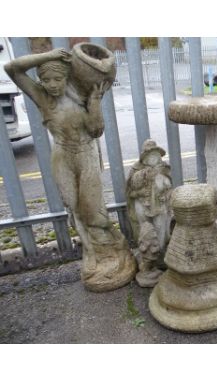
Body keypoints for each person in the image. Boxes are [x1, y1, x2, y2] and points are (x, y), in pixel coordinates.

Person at [5, 47, 136, 291]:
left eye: (58, 79)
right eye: (47, 80)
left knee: (93, 210)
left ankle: (116, 247)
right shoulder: (41, 97)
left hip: (85, 153)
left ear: (67, 78)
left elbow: (96, 131)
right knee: (73, 207)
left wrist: (94, 103)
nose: (53, 85)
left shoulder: (82, 96)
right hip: (62, 155)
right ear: (40, 82)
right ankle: (91, 254)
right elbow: (12, 68)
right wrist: (48, 56)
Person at [126, 139, 173, 287]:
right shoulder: (136, 171)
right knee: (145, 231)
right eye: (150, 155)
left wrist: (166, 193)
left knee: (161, 229)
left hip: (160, 205)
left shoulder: (163, 169)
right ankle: (147, 260)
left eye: (156, 154)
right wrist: (141, 190)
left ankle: (159, 255)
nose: (153, 158)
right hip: (143, 205)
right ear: (144, 157)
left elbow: (169, 187)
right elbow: (130, 191)